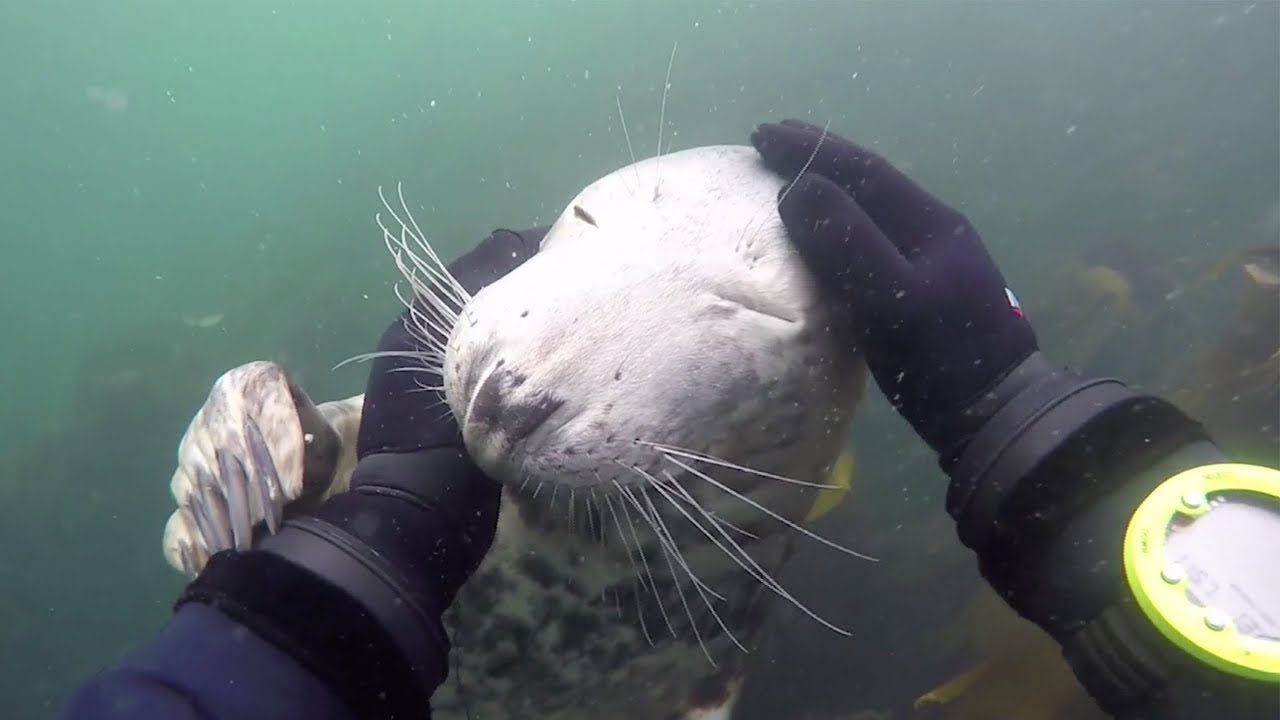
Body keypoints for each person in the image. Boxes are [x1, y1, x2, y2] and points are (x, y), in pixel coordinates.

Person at [62, 120, 1277, 720]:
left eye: (743, 313)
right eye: (583, 229)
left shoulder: (723, 618)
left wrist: (327, 582)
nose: (519, 377)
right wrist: (1058, 457)